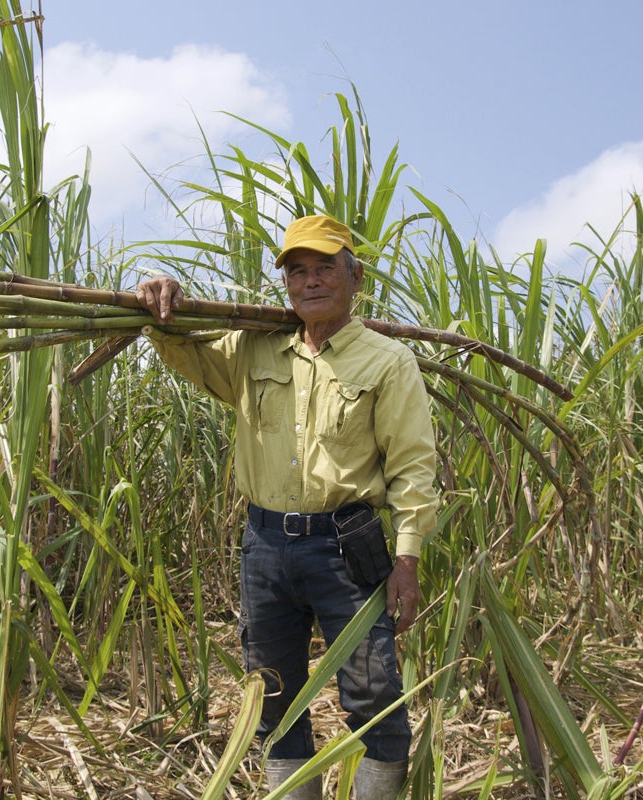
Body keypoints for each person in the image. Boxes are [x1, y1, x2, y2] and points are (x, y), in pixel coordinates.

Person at [135, 214, 439, 799]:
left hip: (346, 545)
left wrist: (407, 559)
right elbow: (185, 350)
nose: (311, 281)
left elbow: (411, 467)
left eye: (325, 268)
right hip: (266, 547)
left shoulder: (386, 361)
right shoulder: (252, 347)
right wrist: (160, 300)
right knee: (273, 697)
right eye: (297, 271)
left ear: (356, 277)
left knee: (374, 693)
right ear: (286, 284)